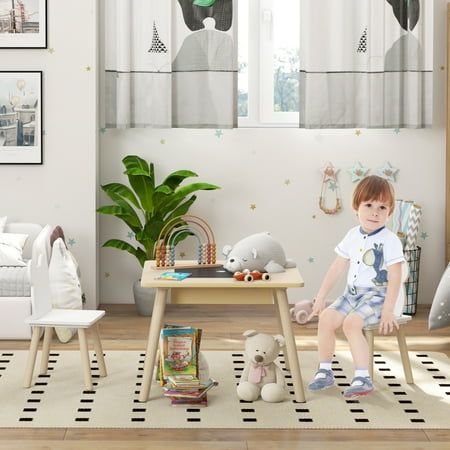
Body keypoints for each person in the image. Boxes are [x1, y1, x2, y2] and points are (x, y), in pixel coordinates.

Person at [307, 175, 405, 398]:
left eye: (382, 207)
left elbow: (396, 277)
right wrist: (321, 296)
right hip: (351, 294)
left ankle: (363, 376)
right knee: (326, 319)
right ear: (356, 207)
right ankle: (325, 371)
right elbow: (337, 267)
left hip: (378, 296)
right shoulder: (352, 235)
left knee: (351, 323)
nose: (375, 212)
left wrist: (389, 309)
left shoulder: (390, 240)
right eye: (368, 205)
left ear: (389, 212)